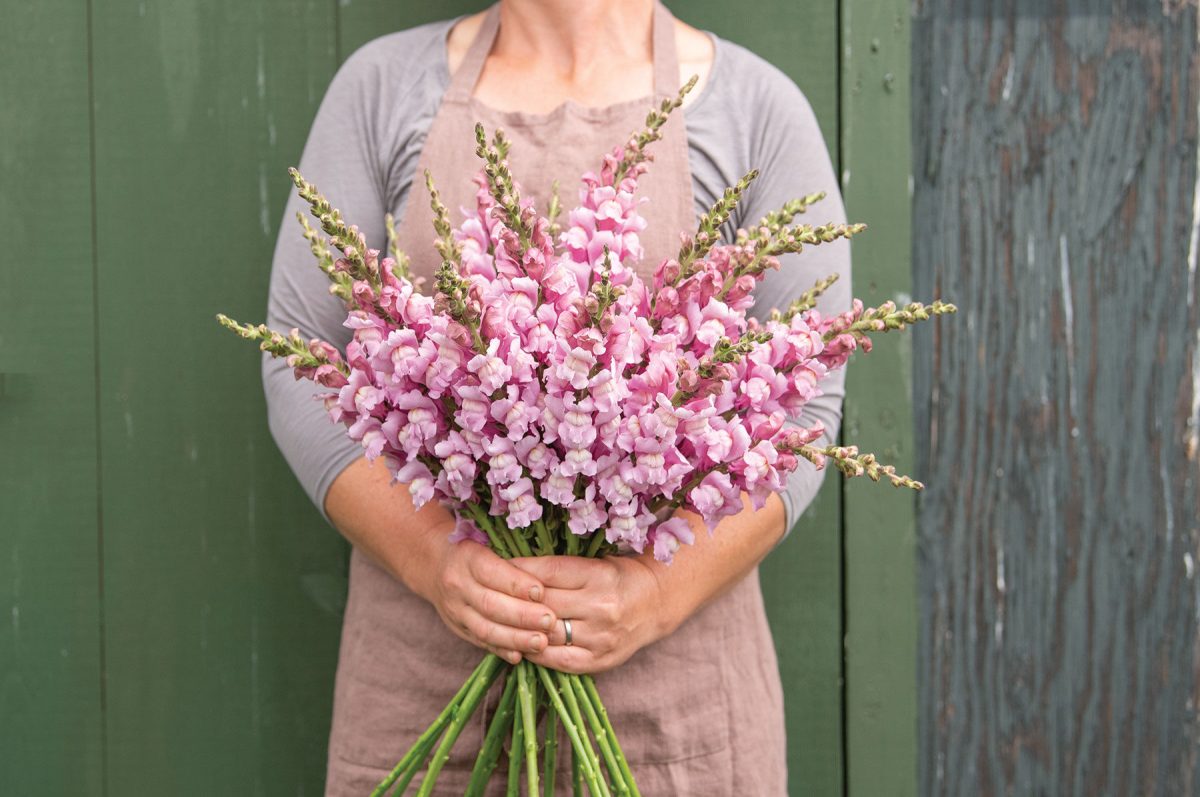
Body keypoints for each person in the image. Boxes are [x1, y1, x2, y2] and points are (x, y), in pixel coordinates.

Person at [264, 1, 850, 793]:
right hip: (424, 689)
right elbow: (304, 365)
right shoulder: (382, 88)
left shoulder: (754, 108)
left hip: (674, 710)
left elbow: (803, 418)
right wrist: (438, 559)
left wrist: (652, 591)